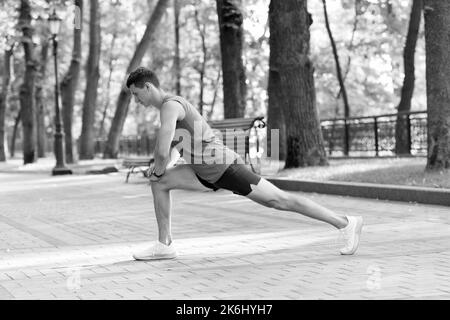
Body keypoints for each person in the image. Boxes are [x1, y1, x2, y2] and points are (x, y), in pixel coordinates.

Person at [127, 67, 363, 261]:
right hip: (204, 171)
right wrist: (162, 170)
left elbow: (160, 150)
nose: (136, 100)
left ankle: (345, 223)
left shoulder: (170, 106)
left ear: (148, 87)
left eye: (137, 94)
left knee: (279, 200)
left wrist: (158, 169)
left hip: (223, 167)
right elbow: (174, 150)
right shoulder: (170, 108)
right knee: (159, 184)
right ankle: (164, 244)